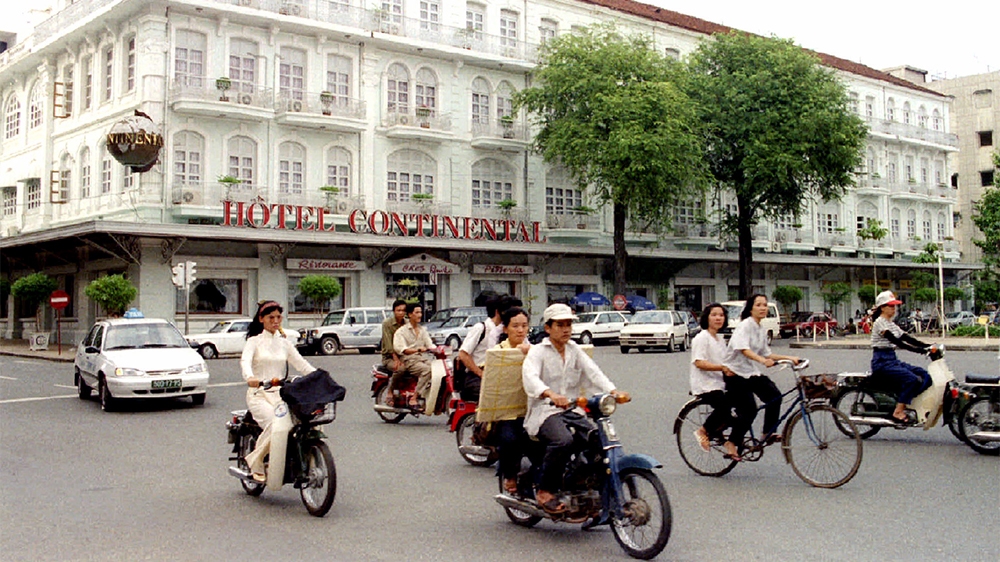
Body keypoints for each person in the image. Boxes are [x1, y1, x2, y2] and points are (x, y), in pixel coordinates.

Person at [522, 303, 628, 514]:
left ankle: (586, 481)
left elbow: (594, 373)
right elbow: (530, 378)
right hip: (545, 410)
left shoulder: (575, 350)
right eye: (560, 325)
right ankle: (545, 490)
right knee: (563, 441)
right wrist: (550, 394)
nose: (566, 329)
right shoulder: (538, 352)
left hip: (572, 410)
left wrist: (614, 391)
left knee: (599, 439)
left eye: (568, 324)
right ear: (548, 328)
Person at [241, 300, 316, 483]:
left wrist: (319, 376)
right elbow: (245, 361)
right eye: (270, 317)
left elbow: (301, 364)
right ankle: (256, 461)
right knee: (277, 425)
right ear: (261, 319)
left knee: (299, 423)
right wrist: (251, 378)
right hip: (259, 394)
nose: (275, 321)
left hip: (281, 395)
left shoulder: (285, 343)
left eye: (278, 317)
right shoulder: (254, 342)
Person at [723, 294, 800, 459]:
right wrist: (761, 360)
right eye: (758, 305)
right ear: (751, 308)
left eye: (765, 305)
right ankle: (731, 442)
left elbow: (768, 354)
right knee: (749, 409)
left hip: (750, 372)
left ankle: (767, 433)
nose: (763, 308)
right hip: (734, 374)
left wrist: (789, 358)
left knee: (775, 396)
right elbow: (744, 349)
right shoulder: (745, 326)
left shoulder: (760, 329)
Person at [869, 290, 932, 425]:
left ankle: (905, 400)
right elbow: (897, 341)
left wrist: (929, 346)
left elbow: (906, 337)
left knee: (926, 375)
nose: (894, 308)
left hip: (892, 359)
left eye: (895, 306)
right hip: (882, 361)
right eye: (891, 306)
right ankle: (898, 411)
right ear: (882, 307)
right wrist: (920, 351)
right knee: (911, 379)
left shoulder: (891, 323)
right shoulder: (880, 322)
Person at [489, 306, 532, 495]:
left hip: (533, 409)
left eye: (524, 326)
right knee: (510, 439)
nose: (520, 330)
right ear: (505, 329)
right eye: (515, 326)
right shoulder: (497, 352)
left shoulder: (537, 350)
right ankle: (510, 475)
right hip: (507, 412)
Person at [689, 303, 739, 459]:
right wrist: (722, 368)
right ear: (707, 318)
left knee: (743, 405)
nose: (718, 318)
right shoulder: (702, 338)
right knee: (724, 407)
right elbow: (699, 362)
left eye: (721, 315)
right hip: (705, 384)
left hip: (720, 382)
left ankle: (722, 436)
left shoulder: (720, 339)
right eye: (714, 315)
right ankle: (703, 430)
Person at [457, 296, 505, 401]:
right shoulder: (481, 328)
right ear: (498, 312)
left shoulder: (503, 330)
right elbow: (463, 354)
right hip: (476, 377)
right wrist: (481, 374)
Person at [393, 301, 435, 409]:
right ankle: (414, 398)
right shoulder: (401, 332)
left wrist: (440, 349)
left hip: (421, 359)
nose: (420, 315)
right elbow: (401, 349)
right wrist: (417, 350)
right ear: (410, 314)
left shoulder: (422, 330)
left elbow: (430, 344)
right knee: (427, 370)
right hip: (409, 360)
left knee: (438, 369)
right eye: (417, 312)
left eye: (420, 312)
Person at [381, 299, 408, 403]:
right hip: (389, 357)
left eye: (403, 310)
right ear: (394, 311)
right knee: (400, 369)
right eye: (398, 310)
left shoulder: (407, 324)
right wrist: (395, 358)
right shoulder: (387, 324)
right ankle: (390, 391)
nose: (401, 313)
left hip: (404, 356)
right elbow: (388, 344)